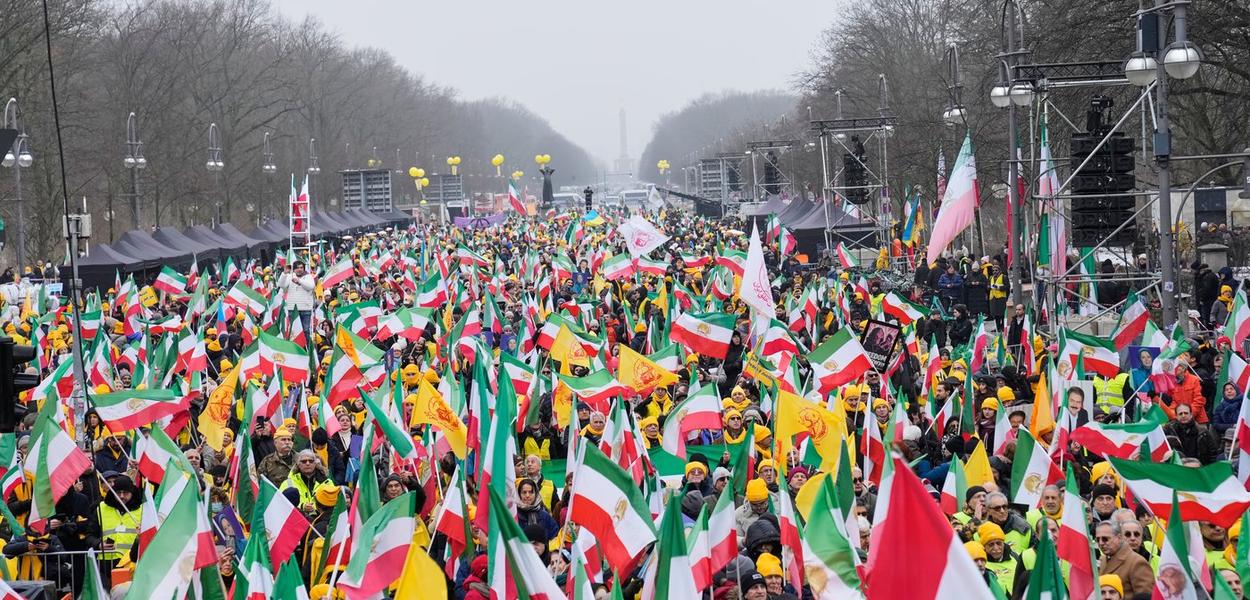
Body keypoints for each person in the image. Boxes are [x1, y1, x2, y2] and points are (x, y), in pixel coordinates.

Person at [1096, 520, 1154, 597]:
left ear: (1119, 538)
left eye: (1105, 539)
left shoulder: (1137, 562)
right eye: (1098, 539)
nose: (1101, 543)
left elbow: (1145, 596)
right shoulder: (1103, 559)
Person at [279, 260, 317, 338]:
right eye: (297, 268)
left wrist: (299, 281)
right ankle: (295, 349)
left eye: (301, 267)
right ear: (294, 269)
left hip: (305, 309)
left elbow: (311, 286)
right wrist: (284, 273)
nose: (299, 269)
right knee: (293, 331)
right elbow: (281, 285)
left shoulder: (308, 276)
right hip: (293, 308)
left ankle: (305, 348)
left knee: (305, 330)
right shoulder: (290, 276)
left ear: (304, 268)